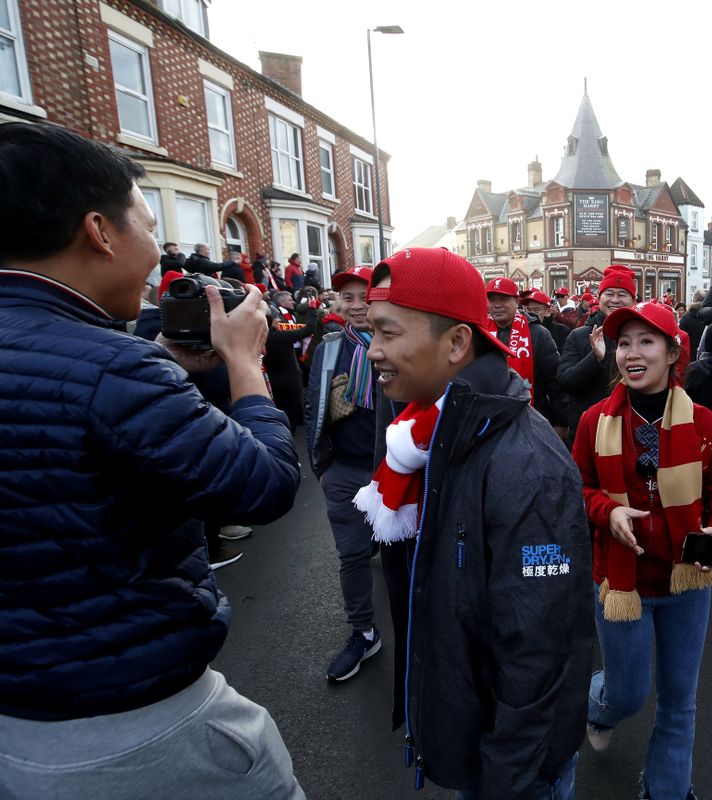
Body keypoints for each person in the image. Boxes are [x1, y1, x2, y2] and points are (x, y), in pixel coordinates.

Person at [0, 121, 304, 797]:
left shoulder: (118, 366)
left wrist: (160, 368)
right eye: (144, 221)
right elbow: (265, 485)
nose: (160, 258)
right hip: (135, 729)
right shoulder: (116, 365)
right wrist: (245, 364)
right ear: (100, 233)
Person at [359, 247, 591, 799]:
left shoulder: (525, 462)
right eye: (372, 333)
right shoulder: (434, 429)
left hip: (512, 767)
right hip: (478, 742)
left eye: (388, 333)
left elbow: (539, 644)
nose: (374, 352)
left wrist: (506, 777)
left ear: (458, 343)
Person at [572, 301, 712, 800]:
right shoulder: (591, 423)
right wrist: (607, 511)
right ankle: (599, 705)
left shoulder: (709, 426)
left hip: (688, 580)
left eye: (646, 341)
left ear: (673, 352)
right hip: (621, 584)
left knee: (679, 702)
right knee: (626, 694)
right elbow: (577, 488)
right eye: (624, 343)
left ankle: (667, 790)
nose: (631, 353)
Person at [304, 265, 390, 682]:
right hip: (345, 471)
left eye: (365, 296)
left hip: (395, 474)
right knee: (352, 556)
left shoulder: (400, 343)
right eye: (349, 298)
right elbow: (312, 405)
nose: (357, 306)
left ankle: (420, 630)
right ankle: (363, 632)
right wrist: (322, 467)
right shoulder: (329, 348)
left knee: (405, 555)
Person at [558, 264, 637, 441]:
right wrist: (595, 358)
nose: (615, 300)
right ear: (599, 298)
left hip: (631, 431)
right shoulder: (578, 336)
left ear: (633, 301)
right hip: (588, 432)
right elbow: (566, 382)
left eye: (622, 294)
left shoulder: (643, 337)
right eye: (609, 294)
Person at [484, 277, 568, 437]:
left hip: (532, 421)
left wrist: (561, 422)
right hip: (489, 424)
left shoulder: (538, 334)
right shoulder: (480, 333)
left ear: (516, 302)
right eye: (492, 299)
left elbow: (556, 381)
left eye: (503, 299)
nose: (497, 305)